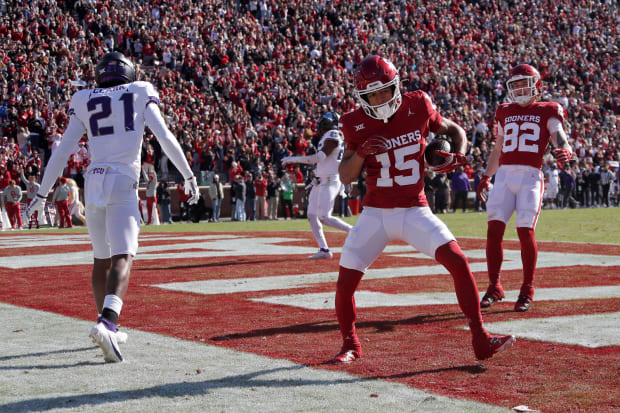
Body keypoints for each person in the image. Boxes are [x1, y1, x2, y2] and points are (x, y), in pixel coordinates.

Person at [334, 55, 514, 363]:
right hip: (375, 213)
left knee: (458, 262)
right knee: (345, 282)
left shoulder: (418, 104)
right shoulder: (354, 122)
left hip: (414, 209)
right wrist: (362, 152)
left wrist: (457, 155)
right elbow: (345, 176)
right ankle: (350, 345)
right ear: (362, 97)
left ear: (398, 86)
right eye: (372, 94)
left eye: (385, 91)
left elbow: (456, 131)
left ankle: (481, 339)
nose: (380, 99)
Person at [26, 51, 199, 363]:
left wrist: (41, 194)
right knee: (123, 255)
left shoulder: (83, 98)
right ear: (129, 72)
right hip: (122, 179)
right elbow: (164, 135)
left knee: (100, 258)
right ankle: (107, 322)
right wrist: (187, 173)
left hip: (93, 180)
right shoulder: (140, 90)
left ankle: (104, 321)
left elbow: (63, 149)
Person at [477, 64, 573, 312]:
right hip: (505, 176)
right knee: (493, 230)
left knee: (524, 231)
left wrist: (566, 148)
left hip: (531, 176)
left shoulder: (548, 109)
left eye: (524, 83)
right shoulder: (504, 111)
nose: (519, 88)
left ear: (536, 85)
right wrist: (487, 176)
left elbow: (558, 134)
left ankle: (527, 288)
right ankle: (494, 286)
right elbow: (498, 149)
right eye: (515, 84)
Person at [282, 112, 352, 258]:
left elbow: (319, 158)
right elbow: (324, 162)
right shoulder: (328, 136)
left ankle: (355, 231)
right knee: (312, 215)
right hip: (321, 180)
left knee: (324, 217)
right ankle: (324, 249)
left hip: (330, 180)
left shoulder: (334, 134)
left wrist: (292, 159)